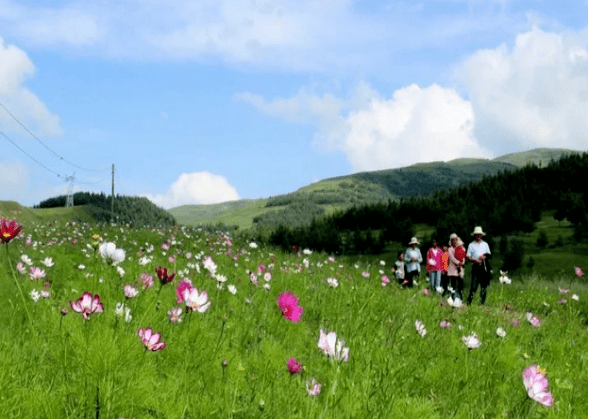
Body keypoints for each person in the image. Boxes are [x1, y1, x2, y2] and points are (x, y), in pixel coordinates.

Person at [466, 226, 492, 305]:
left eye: (479, 235)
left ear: (481, 235)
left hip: (483, 266)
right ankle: (469, 302)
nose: (478, 236)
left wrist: (483, 257)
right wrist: (475, 260)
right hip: (476, 266)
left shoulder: (485, 244)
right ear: (474, 235)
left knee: (483, 286)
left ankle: (482, 303)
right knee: (473, 286)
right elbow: (468, 257)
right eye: (476, 235)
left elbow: (489, 255)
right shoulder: (471, 245)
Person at [447, 234, 465, 301]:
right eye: (453, 240)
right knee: (453, 285)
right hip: (453, 270)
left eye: (455, 240)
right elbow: (452, 258)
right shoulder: (450, 249)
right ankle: (453, 298)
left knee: (460, 285)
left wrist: (461, 263)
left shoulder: (460, 248)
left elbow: (463, 257)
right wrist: (458, 263)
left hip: (459, 270)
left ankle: (459, 298)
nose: (454, 241)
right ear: (451, 241)